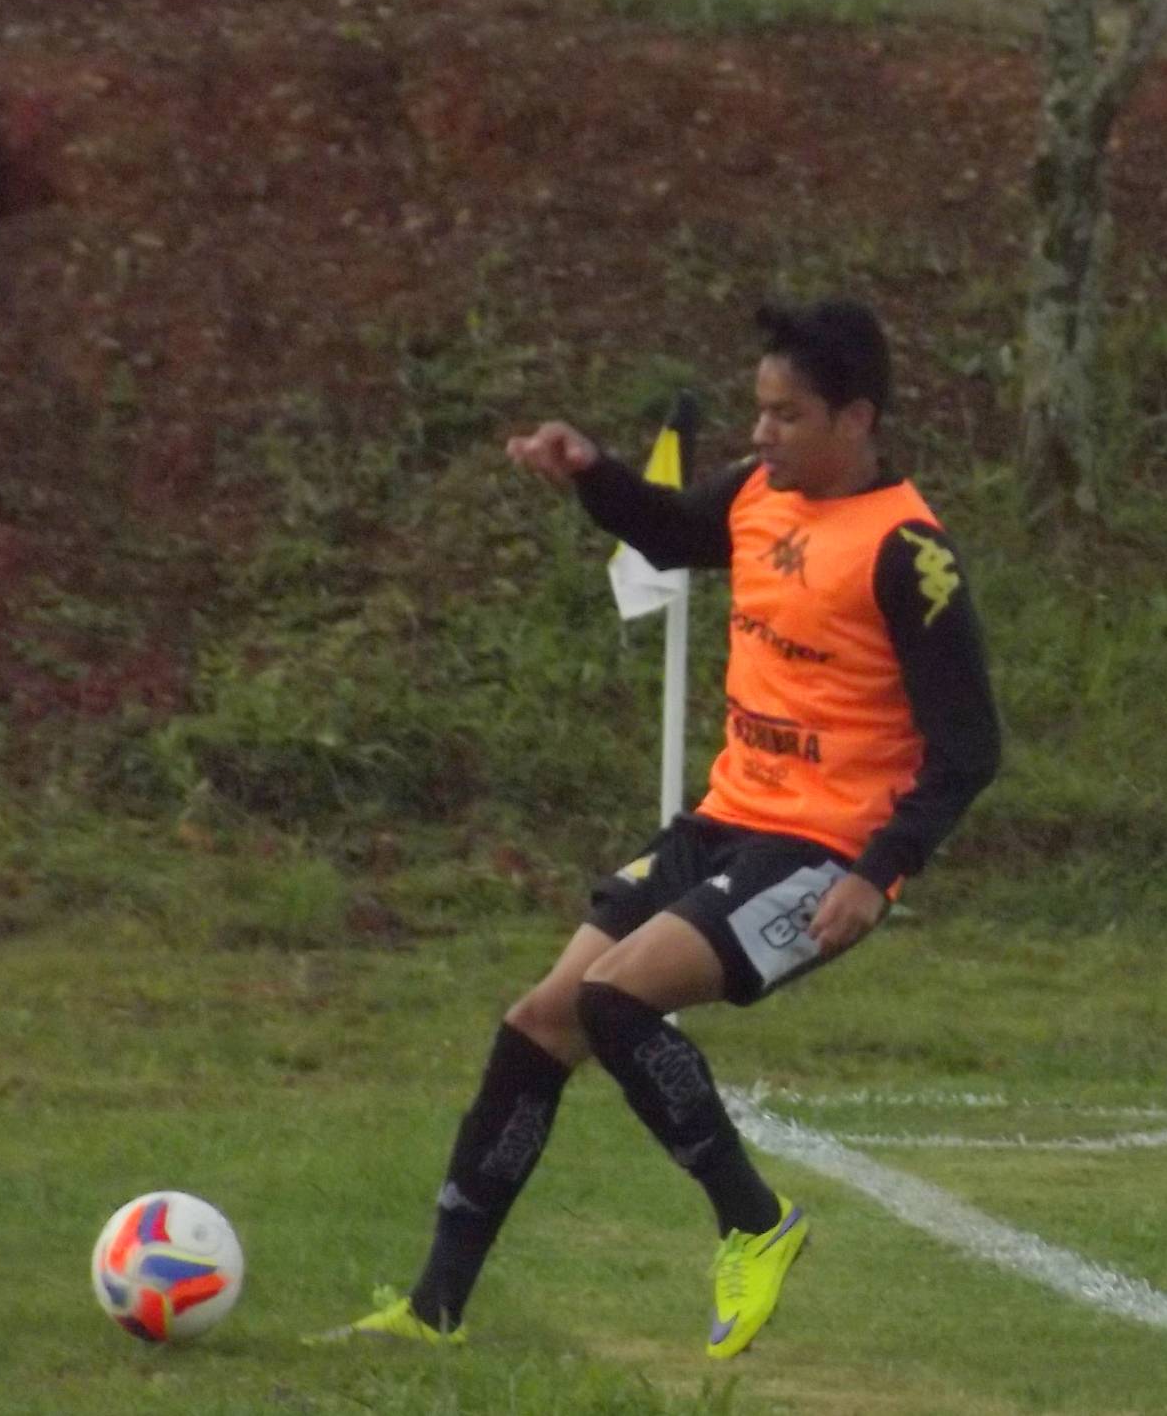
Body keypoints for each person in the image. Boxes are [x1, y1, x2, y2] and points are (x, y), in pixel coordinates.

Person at [318, 298, 1002, 1358]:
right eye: (758, 409)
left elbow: (969, 747)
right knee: (542, 1020)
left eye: (786, 414)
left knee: (614, 998)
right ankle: (434, 1311)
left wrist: (879, 870)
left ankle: (754, 1222)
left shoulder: (907, 554)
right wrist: (591, 470)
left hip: (819, 854)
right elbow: (672, 530)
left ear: (857, 417)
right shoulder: (757, 493)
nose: (761, 432)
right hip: (724, 819)